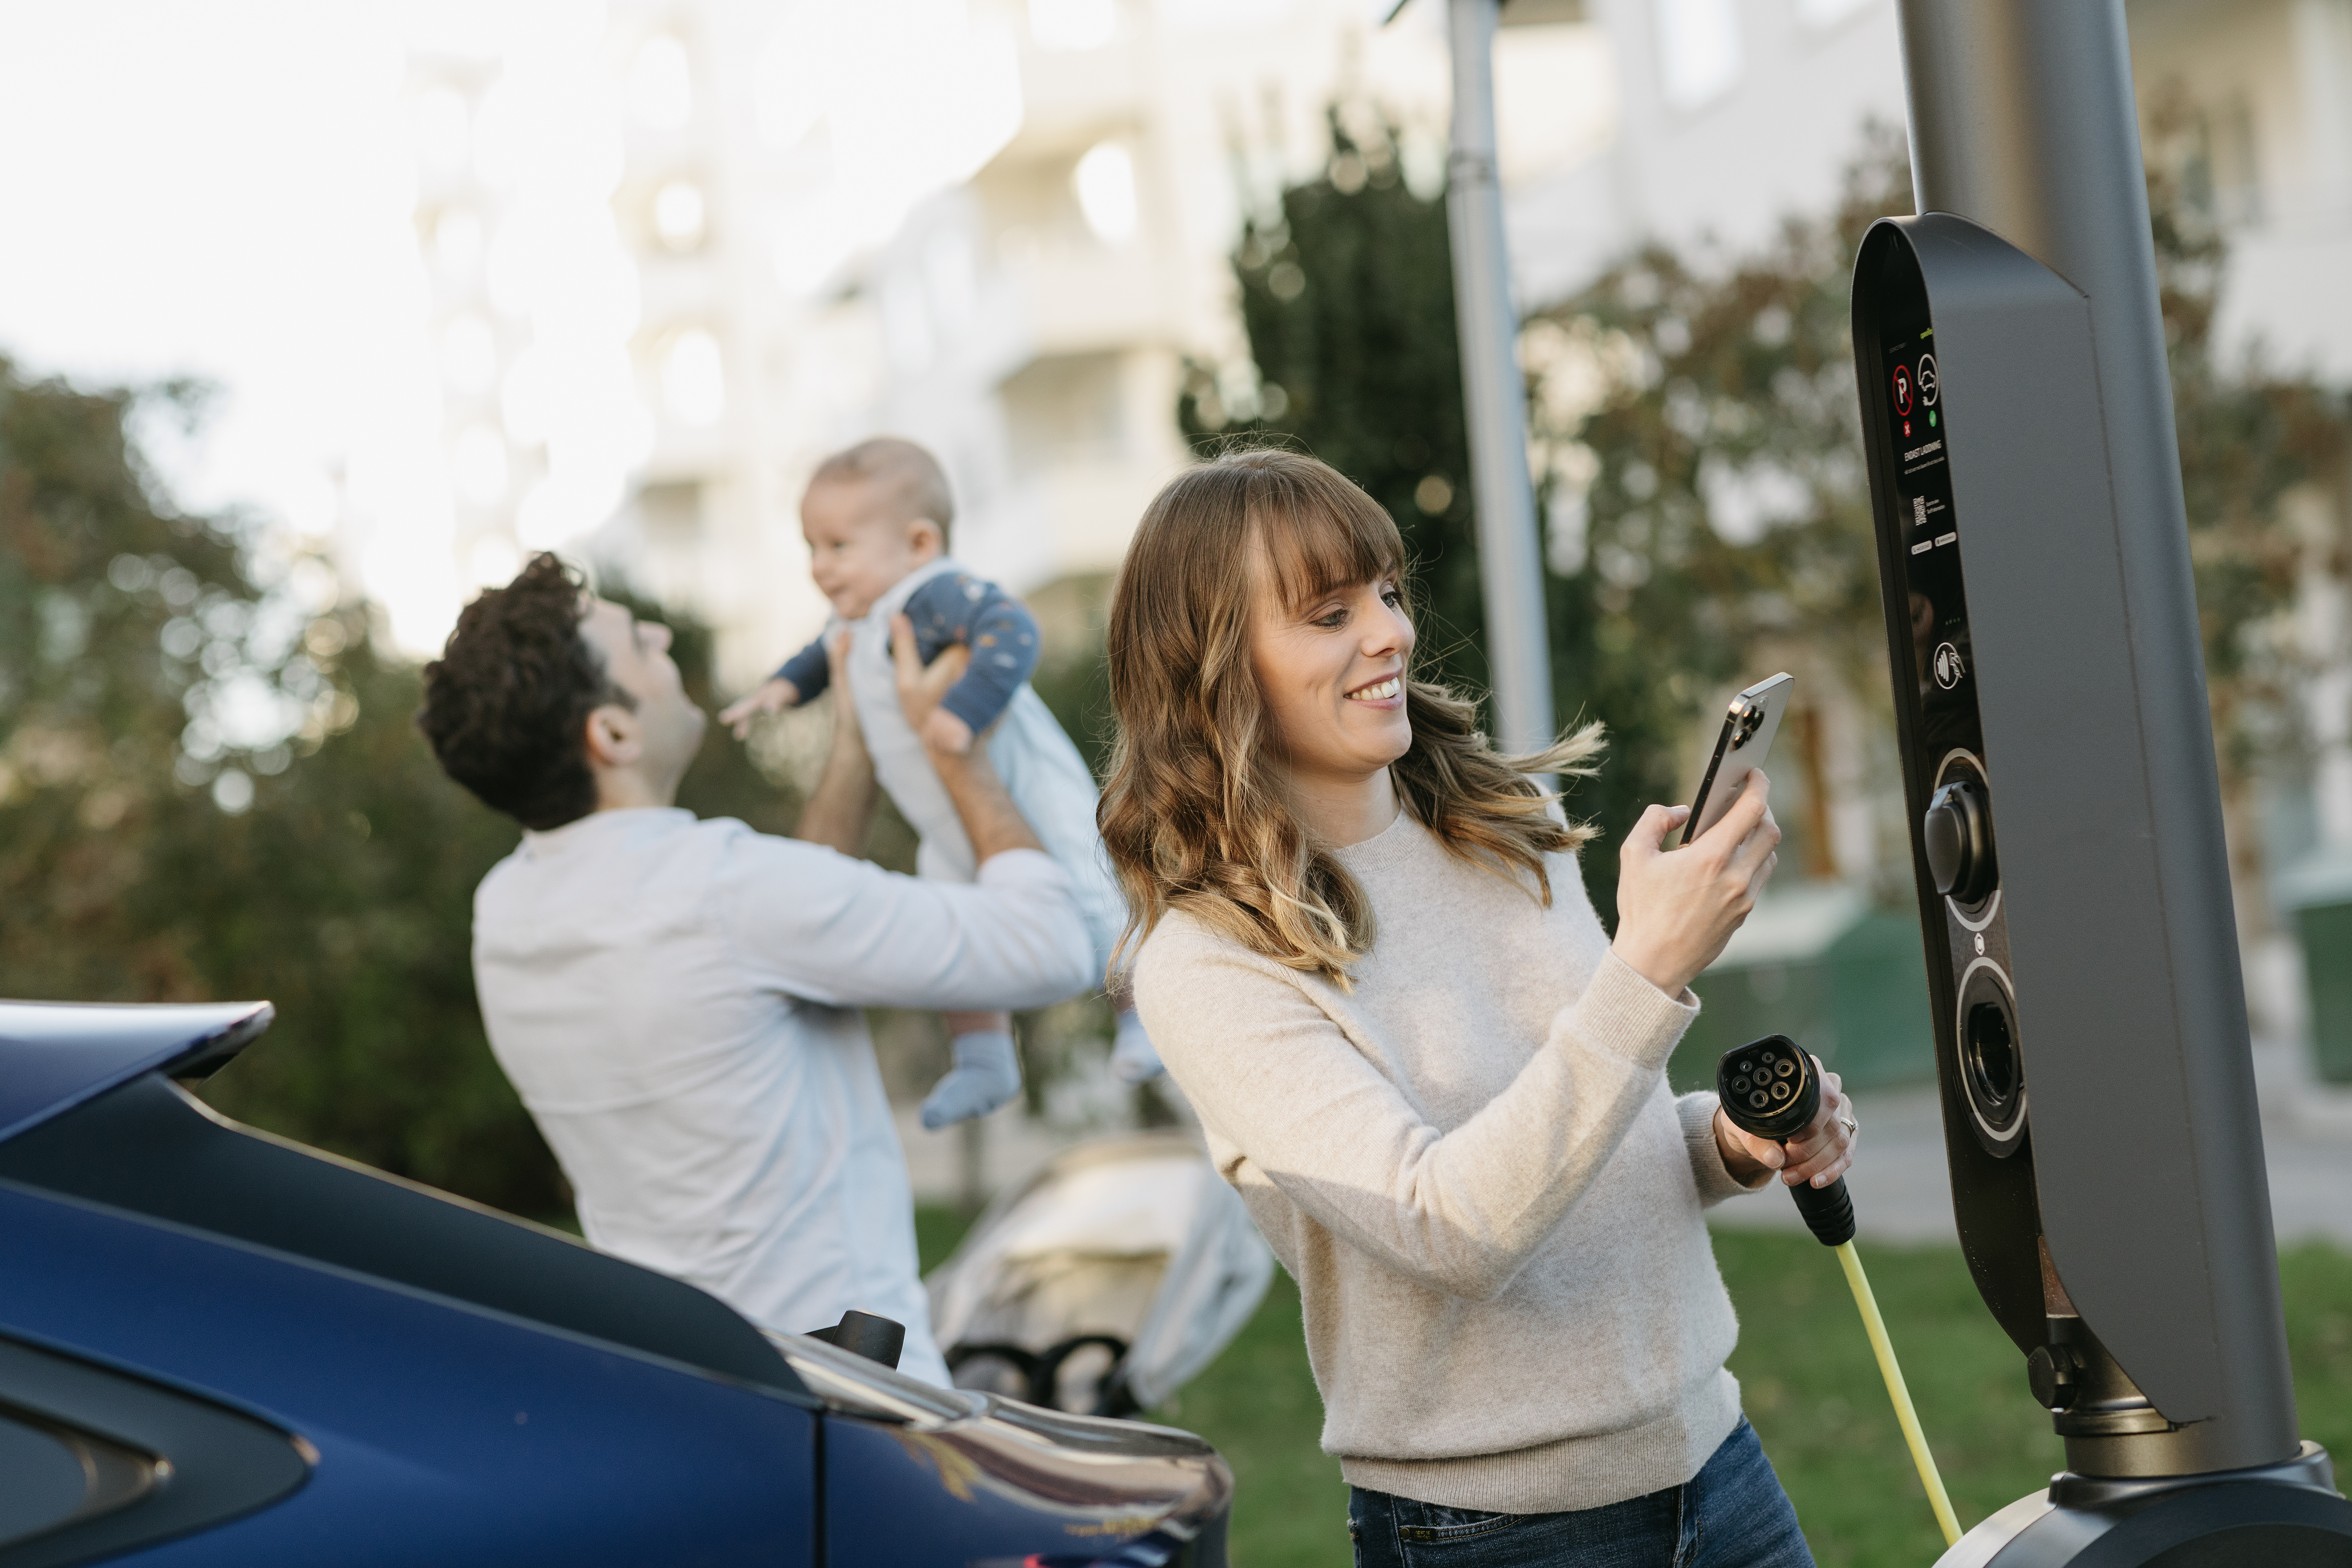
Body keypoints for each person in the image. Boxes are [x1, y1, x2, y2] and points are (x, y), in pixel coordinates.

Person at [1100, 450, 1857, 1566]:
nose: (1390, 633)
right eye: (1330, 613)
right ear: (1211, 669)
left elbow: (1578, 1134)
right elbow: (1446, 1225)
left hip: (1715, 1461)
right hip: (1492, 1531)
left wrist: (1729, 1141)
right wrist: (1646, 969)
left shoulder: (1506, 827)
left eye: (1388, 593)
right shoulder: (1208, 962)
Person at [417, 553, 1097, 1386]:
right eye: (637, 641)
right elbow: (1049, 946)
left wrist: (852, 748)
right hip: (847, 1394)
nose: (661, 633)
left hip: (680, 1382)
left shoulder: (505, 913)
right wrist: (952, 748)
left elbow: (785, 940)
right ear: (614, 733)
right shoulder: (725, 889)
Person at [719, 437, 1163, 1115]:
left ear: (920, 543)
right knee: (953, 920)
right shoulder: (856, 618)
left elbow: (1012, 629)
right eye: (811, 547)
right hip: (947, 821)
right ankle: (984, 1059)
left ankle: (1141, 1017)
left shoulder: (933, 594)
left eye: (838, 547)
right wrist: (781, 688)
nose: (819, 567)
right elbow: (818, 657)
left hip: (1026, 792)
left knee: (1093, 890)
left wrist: (961, 714)